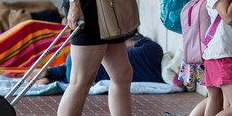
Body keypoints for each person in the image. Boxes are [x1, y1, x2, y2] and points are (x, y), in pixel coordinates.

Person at [35, 36, 165, 85]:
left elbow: (126, 44)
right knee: (81, 75)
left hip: (79, 59)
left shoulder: (153, 48)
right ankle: (52, 78)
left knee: (89, 64)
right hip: (88, 78)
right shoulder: (157, 79)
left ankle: (52, 72)